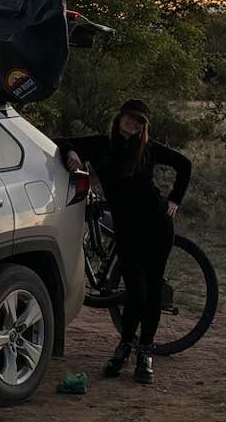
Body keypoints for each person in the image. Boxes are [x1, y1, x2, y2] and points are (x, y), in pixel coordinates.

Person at [58, 98, 191, 386]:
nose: (134, 123)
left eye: (140, 121)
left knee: (153, 289)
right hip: (128, 229)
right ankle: (124, 348)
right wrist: (73, 154)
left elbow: (184, 164)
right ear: (119, 118)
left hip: (156, 224)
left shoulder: (148, 149)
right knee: (135, 292)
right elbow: (59, 140)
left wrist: (175, 200)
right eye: (130, 118)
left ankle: (146, 353)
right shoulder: (101, 144)